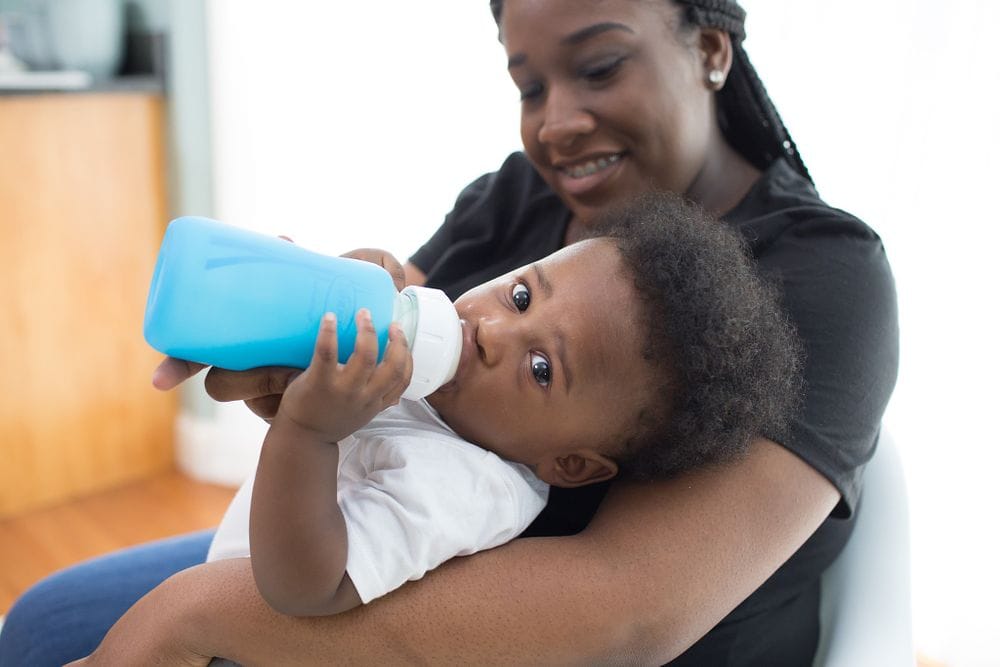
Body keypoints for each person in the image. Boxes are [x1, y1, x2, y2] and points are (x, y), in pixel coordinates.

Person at [0, 0, 898, 664]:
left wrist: (194, 611)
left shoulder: (819, 274)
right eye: (528, 83)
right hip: (358, 554)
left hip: (503, 632)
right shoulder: (517, 196)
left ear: (708, 48)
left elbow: (624, 614)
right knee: (41, 621)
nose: (556, 123)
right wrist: (302, 349)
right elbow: (396, 361)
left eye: (600, 67)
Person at [199, 194, 803, 620]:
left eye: (541, 369)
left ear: (568, 464)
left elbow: (308, 587)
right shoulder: (426, 390)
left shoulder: (471, 487)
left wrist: (308, 432)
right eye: (520, 296)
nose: (491, 330)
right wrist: (337, 299)